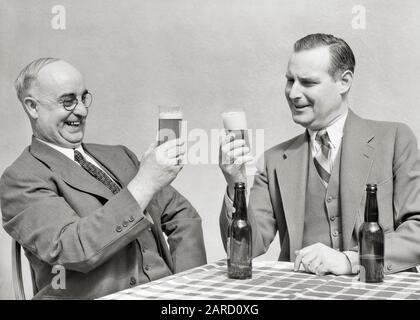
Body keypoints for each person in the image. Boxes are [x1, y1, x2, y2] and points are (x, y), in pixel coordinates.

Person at [0, 58, 207, 299]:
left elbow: (183, 216)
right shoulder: (20, 178)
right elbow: (72, 249)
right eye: (67, 101)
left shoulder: (120, 155)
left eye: (83, 98)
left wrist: (187, 287)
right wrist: (145, 183)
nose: (81, 110)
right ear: (32, 107)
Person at [219, 33, 420, 276]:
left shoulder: (395, 139)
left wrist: (351, 260)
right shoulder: (273, 160)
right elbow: (245, 249)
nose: (293, 93)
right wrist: (235, 183)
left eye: (308, 82)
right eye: (290, 80)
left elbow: (417, 230)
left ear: (344, 82)